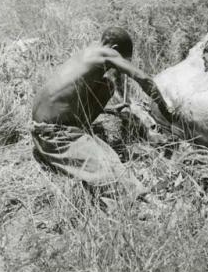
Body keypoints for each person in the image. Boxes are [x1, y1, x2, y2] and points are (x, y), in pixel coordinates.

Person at [31, 27, 174, 203]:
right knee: (109, 166)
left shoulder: (91, 51)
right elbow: (143, 78)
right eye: (121, 58)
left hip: (42, 124)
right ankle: (144, 199)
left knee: (107, 84)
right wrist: (165, 108)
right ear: (113, 47)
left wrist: (126, 101)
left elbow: (114, 77)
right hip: (54, 134)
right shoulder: (107, 53)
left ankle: (81, 128)